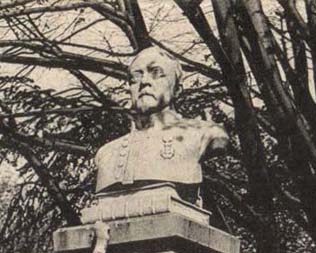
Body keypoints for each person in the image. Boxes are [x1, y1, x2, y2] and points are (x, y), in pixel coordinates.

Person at [94, 46, 228, 203]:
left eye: (156, 73)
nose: (144, 82)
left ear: (177, 89)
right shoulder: (107, 153)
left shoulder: (206, 133)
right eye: (136, 77)